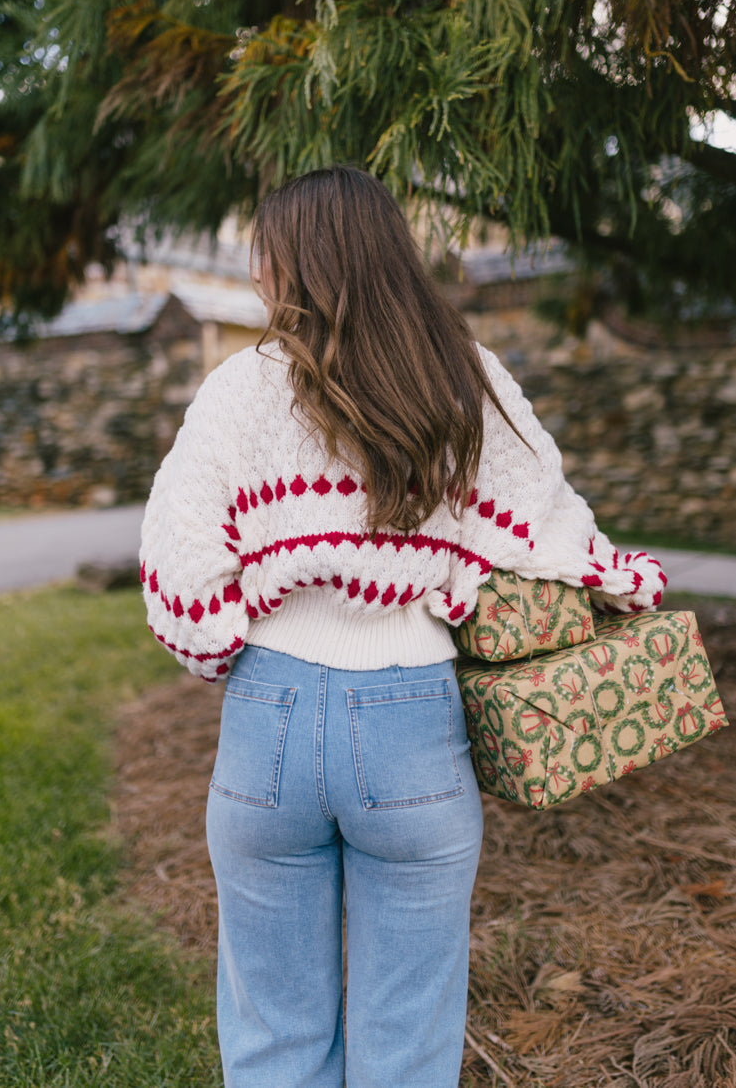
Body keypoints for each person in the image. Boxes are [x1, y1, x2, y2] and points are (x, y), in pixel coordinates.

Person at [139, 165, 666, 1088]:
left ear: (286, 265)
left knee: (272, 1032)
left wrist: (231, 627)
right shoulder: (462, 376)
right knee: (409, 1042)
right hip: (412, 724)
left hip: (268, 720)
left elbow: (180, 586)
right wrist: (623, 581)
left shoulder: (235, 390)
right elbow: (550, 526)